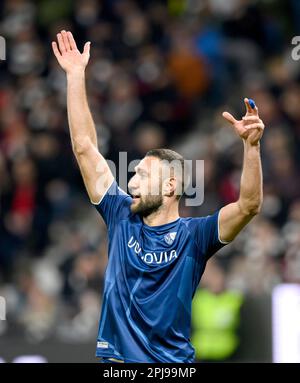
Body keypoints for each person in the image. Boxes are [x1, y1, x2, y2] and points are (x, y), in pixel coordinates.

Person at [51, 30, 264, 363]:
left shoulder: (195, 237)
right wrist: (76, 76)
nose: (132, 183)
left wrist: (251, 148)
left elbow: (249, 205)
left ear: (170, 187)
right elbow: (84, 148)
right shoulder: (119, 214)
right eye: (134, 174)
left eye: (143, 176)